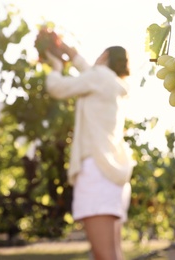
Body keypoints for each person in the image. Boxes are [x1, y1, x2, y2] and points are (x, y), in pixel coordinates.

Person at [44, 40, 135, 260]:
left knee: (104, 255)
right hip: (111, 174)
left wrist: (56, 68)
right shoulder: (111, 83)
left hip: (97, 172)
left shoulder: (100, 77)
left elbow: (57, 88)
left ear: (104, 57)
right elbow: (89, 70)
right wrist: (72, 55)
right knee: (112, 254)